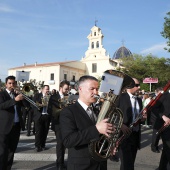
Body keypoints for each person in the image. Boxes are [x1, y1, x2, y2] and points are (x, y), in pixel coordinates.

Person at [60, 75, 113, 170]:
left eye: (97, 89)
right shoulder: (68, 112)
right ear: (80, 89)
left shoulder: (97, 111)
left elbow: (100, 137)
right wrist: (96, 129)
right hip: (82, 166)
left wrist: (109, 145)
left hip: (100, 164)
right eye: (92, 89)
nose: (96, 93)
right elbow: (68, 140)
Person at [116, 78, 144, 170]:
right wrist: (120, 125)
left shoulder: (139, 100)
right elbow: (111, 114)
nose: (139, 87)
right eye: (136, 85)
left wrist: (142, 118)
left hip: (135, 135)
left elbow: (138, 117)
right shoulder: (120, 97)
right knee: (127, 164)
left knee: (129, 162)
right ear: (129, 86)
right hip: (122, 135)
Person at [0, 75, 25, 169]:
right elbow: (2, 106)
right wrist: (14, 100)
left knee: (12, 151)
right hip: (4, 127)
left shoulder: (16, 94)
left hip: (16, 126)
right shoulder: (2, 94)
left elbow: (26, 105)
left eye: (13, 83)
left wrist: (22, 95)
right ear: (6, 84)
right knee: (2, 152)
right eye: (10, 83)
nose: (12, 85)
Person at [48, 80, 70, 170]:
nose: (67, 90)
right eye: (66, 89)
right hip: (58, 123)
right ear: (60, 88)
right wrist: (63, 107)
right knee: (60, 144)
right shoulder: (53, 97)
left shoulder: (68, 97)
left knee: (64, 144)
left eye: (68, 89)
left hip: (67, 123)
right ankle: (59, 163)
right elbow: (50, 111)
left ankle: (61, 162)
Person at [152, 91, 170, 170]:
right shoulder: (164, 95)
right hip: (163, 125)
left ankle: (162, 167)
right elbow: (154, 108)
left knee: (166, 150)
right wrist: (163, 116)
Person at [33, 85, 51, 152]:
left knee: (45, 132)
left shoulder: (50, 97)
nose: (47, 90)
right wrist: (41, 105)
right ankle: (37, 146)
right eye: (46, 89)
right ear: (42, 89)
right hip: (39, 116)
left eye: (48, 89)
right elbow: (33, 104)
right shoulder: (37, 95)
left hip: (46, 115)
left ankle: (43, 145)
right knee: (38, 132)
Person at [150, 87, 162, 153]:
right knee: (156, 134)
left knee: (159, 133)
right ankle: (154, 147)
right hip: (155, 119)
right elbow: (154, 110)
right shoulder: (154, 99)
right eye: (160, 93)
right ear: (157, 93)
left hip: (160, 118)